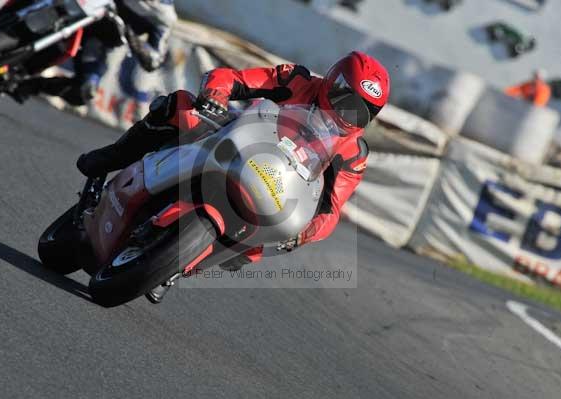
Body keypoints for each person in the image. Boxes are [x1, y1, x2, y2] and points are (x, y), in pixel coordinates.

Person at [76, 51, 391, 303]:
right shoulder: (297, 80)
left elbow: (332, 208)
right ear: (334, 84)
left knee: (256, 248)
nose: (349, 115)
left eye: (362, 112)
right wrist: (216, 94)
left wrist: (305, 233)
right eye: (347, 103)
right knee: (179, 105)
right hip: (232, 141)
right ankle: (111, 157)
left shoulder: (354, 153)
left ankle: (173, 266)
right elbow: (234, 78)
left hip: (275, 188)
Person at [12, 0, 177, 105]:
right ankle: (2, 25)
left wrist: (130, 35)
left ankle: (31, 85)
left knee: (85, 91)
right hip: (73, 11)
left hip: (97, 40)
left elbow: (154, 59)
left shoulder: (164, 15)